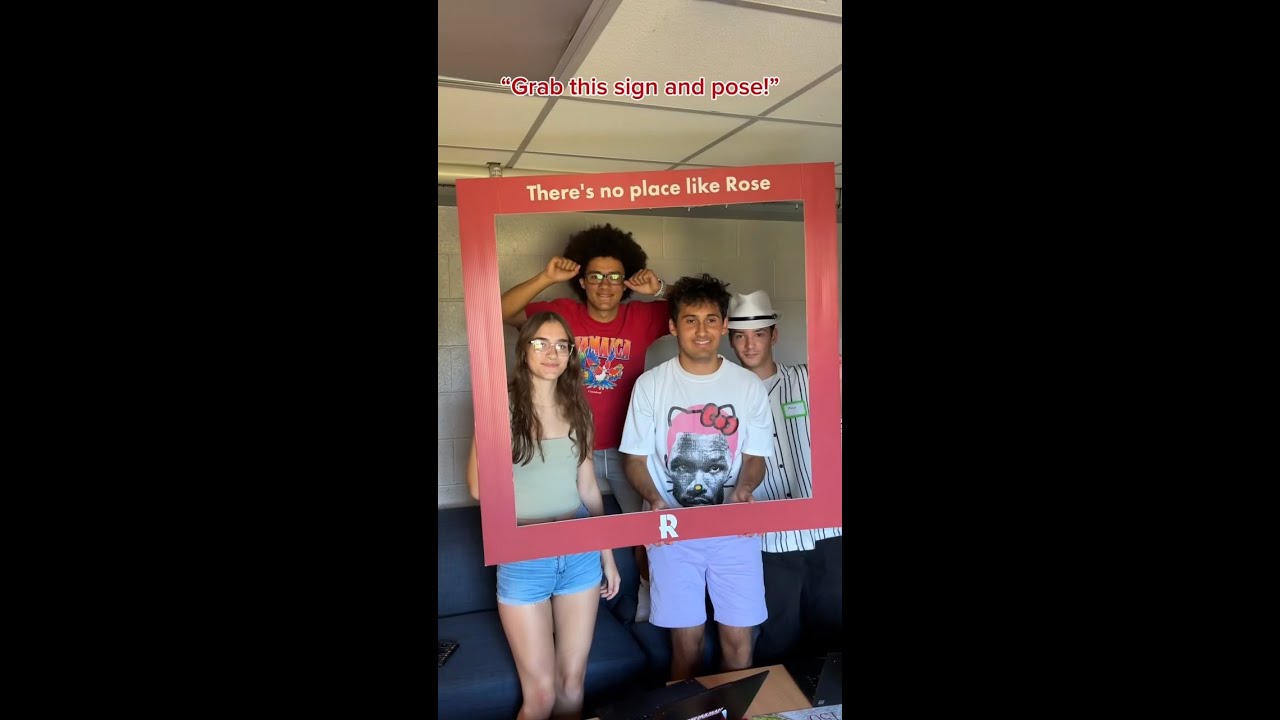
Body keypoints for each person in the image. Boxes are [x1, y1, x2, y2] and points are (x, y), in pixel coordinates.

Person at [619, 273, 775, 681]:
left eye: (710, 320)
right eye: (690, 320)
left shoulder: (748, 386)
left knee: (739, 645)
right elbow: (634, 459)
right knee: (686, 648)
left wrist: (744, 489)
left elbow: (755, 457)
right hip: (672, 533)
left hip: (735, 530)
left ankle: (735, 708)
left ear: (724, 326)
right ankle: (689, 709)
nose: (701, 330)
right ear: (673, 327)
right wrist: (655, 500)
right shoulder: (650, 385)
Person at [466, 311, 621, 720]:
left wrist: (606, 555)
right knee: (541, 696)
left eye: (561, 345)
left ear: (570, 355)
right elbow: (478, 488)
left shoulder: (579, 408)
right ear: (524, 350)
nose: (552, 353)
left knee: (572, 684)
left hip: (579, 552)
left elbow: (588, 488)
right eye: (541, 343)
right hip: (524, 557)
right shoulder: (500, 406)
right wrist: (492, 423)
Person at [500, 223, 670, 514]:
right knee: (567, 523)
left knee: (643, 525)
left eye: (614, 277)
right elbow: (499, 310)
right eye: (595, 276)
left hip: (627, 448)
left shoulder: (643, 316)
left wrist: (661, 289)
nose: (605, 285)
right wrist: (546, 277)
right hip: (568, 445)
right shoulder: (561, 314)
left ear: (626, 283)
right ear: (582, 282)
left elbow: (708, 309)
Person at [726, 290, 843, 666]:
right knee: (780, 634)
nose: (750, 344)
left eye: (759, 334)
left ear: (774, 336)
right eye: (741, 336)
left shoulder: (810, 379)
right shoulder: (725, 398)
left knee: (833, 628)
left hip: (828, 530)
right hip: (769, 539)